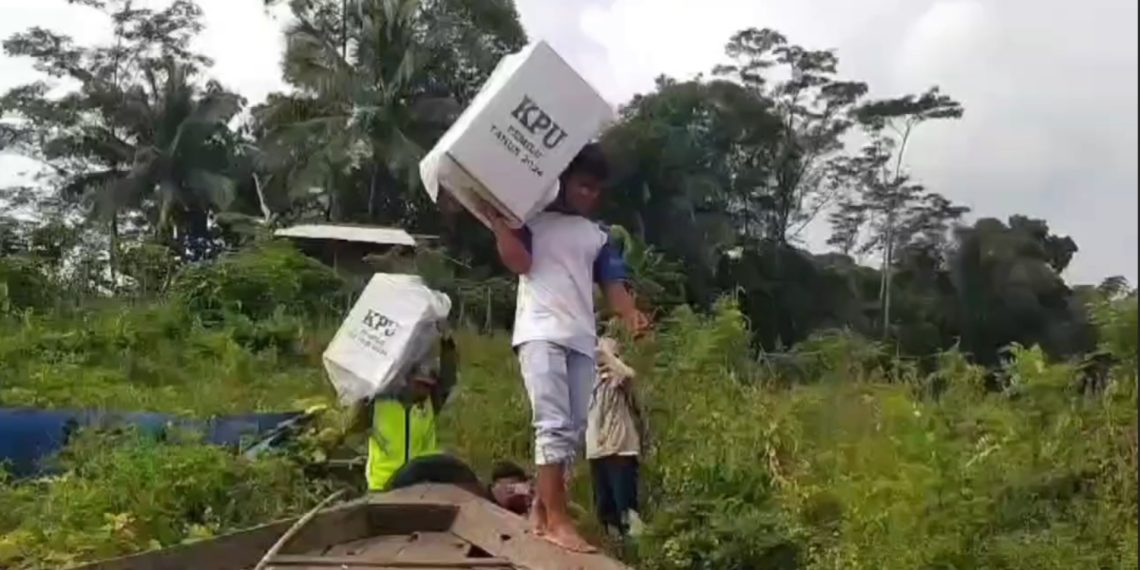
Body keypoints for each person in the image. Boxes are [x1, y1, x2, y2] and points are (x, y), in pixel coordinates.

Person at [483, 142, 650, 553]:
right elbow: (519, 263)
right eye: (583, 186)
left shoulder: (598, 236)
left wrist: (631, 315)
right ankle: (559, 521)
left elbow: (613, 284)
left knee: (574, 431)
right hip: (540, 332)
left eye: (596, 189)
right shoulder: (532, 220)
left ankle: (541, 509)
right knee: (553, 424)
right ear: (563, 182)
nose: (590, 195)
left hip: (581, 338)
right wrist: (501, 227)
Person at [346, 326, 458, 492]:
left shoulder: (431, 403)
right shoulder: (378, 403)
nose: (425, 390)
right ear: (406, 381)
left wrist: (447, 344)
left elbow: (448, 378)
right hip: (382, 486)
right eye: (420, 384)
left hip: (420, 485)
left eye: (428, 386)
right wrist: (364, 391)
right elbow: (350, 425)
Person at [587, 336, 646, 540]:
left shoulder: (618, 379)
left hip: (620, 448)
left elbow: (629, 374)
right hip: (597, 450)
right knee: (604, 507)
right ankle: (614, 547)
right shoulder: (589, 381)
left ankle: (636, 547)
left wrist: (609, 356)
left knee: (626, 506)